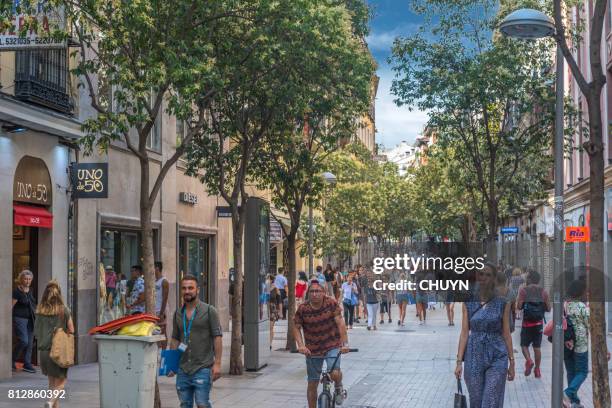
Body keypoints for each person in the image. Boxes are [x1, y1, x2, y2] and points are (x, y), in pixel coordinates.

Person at [455, 263, 515, 408]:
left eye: (488, 275)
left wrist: (512, 361)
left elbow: (506, 333)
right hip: (474, 355)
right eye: (481, 274)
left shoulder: (503, 302)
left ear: (494, 278)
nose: (484, 278)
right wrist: (458, 362)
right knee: (476, 402)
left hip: (497, 355)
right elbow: (464, 333)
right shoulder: (468, 301)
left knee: (490, 401)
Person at [167, 275, 223, 408]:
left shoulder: (209, 311)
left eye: (190, 288)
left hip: (202, 367)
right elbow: (175, 339)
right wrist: (171, 364)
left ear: (197, 290)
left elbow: (217, 337)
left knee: (202, 403)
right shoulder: (178, 314)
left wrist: (218, 364)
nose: (187, 291)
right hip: (183, 368)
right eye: (184, 288)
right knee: (184, 404)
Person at [294, 280, 349, 408]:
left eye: (318, 291)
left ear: (324, 293)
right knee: (312, 383)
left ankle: (338, 385)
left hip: (332, 344)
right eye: (312, 291)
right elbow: (296, 327)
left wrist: (345, 343)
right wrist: (301, 346)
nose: (314, 294)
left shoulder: (331, 303)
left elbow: (340, 323)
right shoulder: (303, 309)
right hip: (312, 349)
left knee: (335, 373)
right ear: (308, 293)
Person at [33, 280, 74, 408]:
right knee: (61, 382)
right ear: (59, 294)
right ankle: (50, 402)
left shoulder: (40, 311)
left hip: (44, 353)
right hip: (58, 351)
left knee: (52, 384)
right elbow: (72, 330)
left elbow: (36, 332)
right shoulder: (64, 310)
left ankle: (52, 405)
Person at [517, 270, 550, 378]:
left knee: (524, 345)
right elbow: (549, 308)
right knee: (537, 347)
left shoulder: (524, 290)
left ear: (530, 279)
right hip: (538, 324)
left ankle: (529, 360)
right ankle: (537, 369)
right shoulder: (543, 291)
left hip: (527, 323)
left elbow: (519, 306)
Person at [563, 279, 589, 408]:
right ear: (581, 292)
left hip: (567, 344)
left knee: (571, 372)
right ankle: (567, 394)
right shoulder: (582, 307)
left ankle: (574, 402)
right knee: (583, 372)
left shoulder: (566, 304)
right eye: (585, 290)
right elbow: (590, 325)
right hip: (580, 344)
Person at [12, 270, 37, 373]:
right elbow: (11, 305)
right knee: (24, 341)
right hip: (20, 319)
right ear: (21, 279)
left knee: (30, 343)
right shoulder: (17, 291)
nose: (27, 281)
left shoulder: (30, 290)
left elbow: (32, 305)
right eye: (25, 279)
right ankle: (12, 359)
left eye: (29, 279)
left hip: (31, 318)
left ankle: (27, 364)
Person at [155, 261, 170, 348]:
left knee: (163, 331)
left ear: (157, 268)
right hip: (155, 310)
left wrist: (162, 312)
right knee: (156, 331)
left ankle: (164, 351)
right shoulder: (154, 281)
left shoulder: (164, 281)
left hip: (161, 310)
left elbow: (165, 298)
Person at [269, 275, 282, 350]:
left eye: (268, 279)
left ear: (271, 280)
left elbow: (280, 301)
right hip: (265, 309)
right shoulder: (265, 288)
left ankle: (270, 344)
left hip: (273, 309)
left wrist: (280, 312)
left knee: (270, 327)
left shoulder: (276, 289)